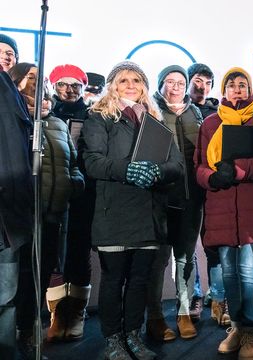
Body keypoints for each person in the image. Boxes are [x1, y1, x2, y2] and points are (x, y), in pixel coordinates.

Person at [80, 60, 184, 360]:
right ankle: (113, 339)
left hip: (149, 214)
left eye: (137, 81)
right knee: (114, 279)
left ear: (144, 87)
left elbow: (176, 164)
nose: (130, 85)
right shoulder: (100, 118)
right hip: (114, 211)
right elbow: (92, 161)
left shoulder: (155, 121)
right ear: (113, 84)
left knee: (140, 280)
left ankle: (133, 336)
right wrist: (128, 170)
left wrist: (158, 173)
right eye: (124, 80)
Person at [195, 66, 253, 360]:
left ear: (249, 88)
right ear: (223, 90)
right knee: (229, 273)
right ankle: (237, 327)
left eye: (242, 84)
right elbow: (199, 167)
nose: (237, 89)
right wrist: (211, 178)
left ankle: (251, 330)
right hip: (221, 208)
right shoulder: (210, 123)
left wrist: (241, 170)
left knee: (250, 274)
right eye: (232, 84)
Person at [9, 62, 85, 359]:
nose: (36, 86)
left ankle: (30, 332)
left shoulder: (54, 123)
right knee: (18, 279)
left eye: (40, 82)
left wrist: (73, 184)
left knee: (41, 275)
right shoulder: (14, 120)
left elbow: (73, 163)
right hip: (22, 217)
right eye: (30, 79)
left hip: (54, 214)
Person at [146, 65, 203, 341]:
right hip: (160, 199)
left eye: (181, 81)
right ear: (160, 85)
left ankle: (183, 313)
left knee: (185, 259)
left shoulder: (196, 113)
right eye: (169, 81)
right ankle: (155, 318)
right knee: (156, 262)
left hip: (191, 198)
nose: (176, 86)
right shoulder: (151, 112)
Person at [46, 64, 93, 342]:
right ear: (53, 87)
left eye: (75, 85)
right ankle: (57, 313)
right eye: (63, 84)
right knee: (53, 256)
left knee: (79, 251)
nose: (69, 90)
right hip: (53, 195)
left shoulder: (93, 117)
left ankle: (77, 312)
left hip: (85, 194)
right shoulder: (45, 115)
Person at [187, 62, 231, 326]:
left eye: (207, 81)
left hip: (214, 188)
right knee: (188, 246)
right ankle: (194, 295)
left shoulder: (218, 113)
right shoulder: (180, 110)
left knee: (213, 245)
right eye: (197, 80)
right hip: (187, 189)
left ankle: (218, 297)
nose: (201, 86)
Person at [0, 38, 33, 360]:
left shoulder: (15, 98)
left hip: (10, 215)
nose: (4, 58)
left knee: (7, 295)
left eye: (9, 53)